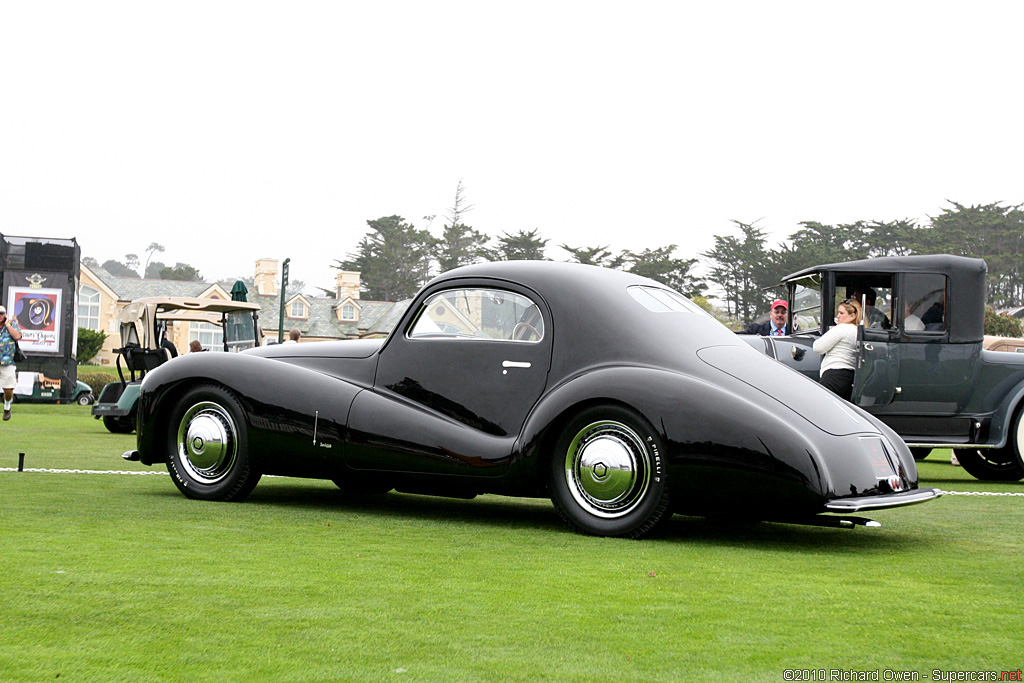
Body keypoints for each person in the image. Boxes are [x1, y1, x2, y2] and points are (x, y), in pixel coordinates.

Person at [812, 300, 861, 401]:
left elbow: (818, 347)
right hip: (849, 378)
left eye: (841, 313)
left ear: (852, 316)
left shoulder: (842, 328)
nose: (838, 316)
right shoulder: (859, 332)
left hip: (833, 376)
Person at [0, 305, 24, 421]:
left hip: (7, 361)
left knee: (8, 389)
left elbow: (17, 336)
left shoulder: (11, 324)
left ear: (5, 315)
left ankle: (7, 406)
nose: (0, 316)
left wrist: (8, 325)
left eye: (1, 314)